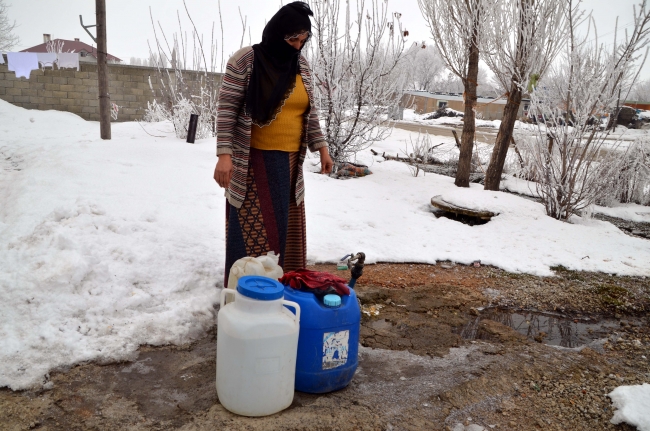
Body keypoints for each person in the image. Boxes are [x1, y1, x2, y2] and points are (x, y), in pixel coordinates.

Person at [213, 1, 333, 287]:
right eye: (292, 39)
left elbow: (309, 111)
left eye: (303, 41)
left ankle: (283, 286)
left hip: (291, 162)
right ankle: (246, 287)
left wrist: (322, 148)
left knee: (285, 229)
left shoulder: (301, 65)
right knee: (253, 228)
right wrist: (224, 155)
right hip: (252, 162)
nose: (297, 46)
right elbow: (227, 108)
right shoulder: (245, 61)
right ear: (277, 33)